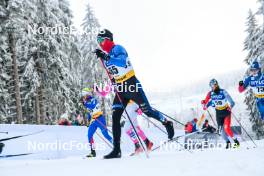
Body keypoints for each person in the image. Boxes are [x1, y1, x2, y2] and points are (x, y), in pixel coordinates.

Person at [94, 29, 174, 159]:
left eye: (102, 40)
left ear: (109, 39)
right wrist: (112, 81)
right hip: (120, 88)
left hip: (131, 84)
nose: (100, 44)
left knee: (147, 111)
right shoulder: (107, 56)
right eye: (98, 41)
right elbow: (114, 72)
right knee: (115, 117)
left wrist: (106, 56)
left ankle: (166, 123)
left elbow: (121, 62)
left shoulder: (118, 48)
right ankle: (117, 150)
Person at [201, 79, 240, 149]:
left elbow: (232, 102)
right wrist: (204, 104)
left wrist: (230, 107)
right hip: (218, 113)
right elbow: (205, 103)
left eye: (215, 85)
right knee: (220, 131)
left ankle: (236, 141)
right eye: (212, 86)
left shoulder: (223, 91)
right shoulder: (210, 93)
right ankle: (228, 142)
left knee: (227, 128)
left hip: (226, 112)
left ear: (217, 84)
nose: (213, 87)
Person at [82, 88, 113, 157]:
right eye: (83, 95)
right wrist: (88, 121)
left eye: (84, 94)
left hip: (100, 119)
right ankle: (93, 152)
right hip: (93, 121)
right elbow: (90, 112)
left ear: (87, 94)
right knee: (89, 135)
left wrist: (85, 105)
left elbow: (92, 106)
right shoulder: (86, 102)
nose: (84, 96)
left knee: (106, 135)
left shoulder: (93, 99)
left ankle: (116, 146)